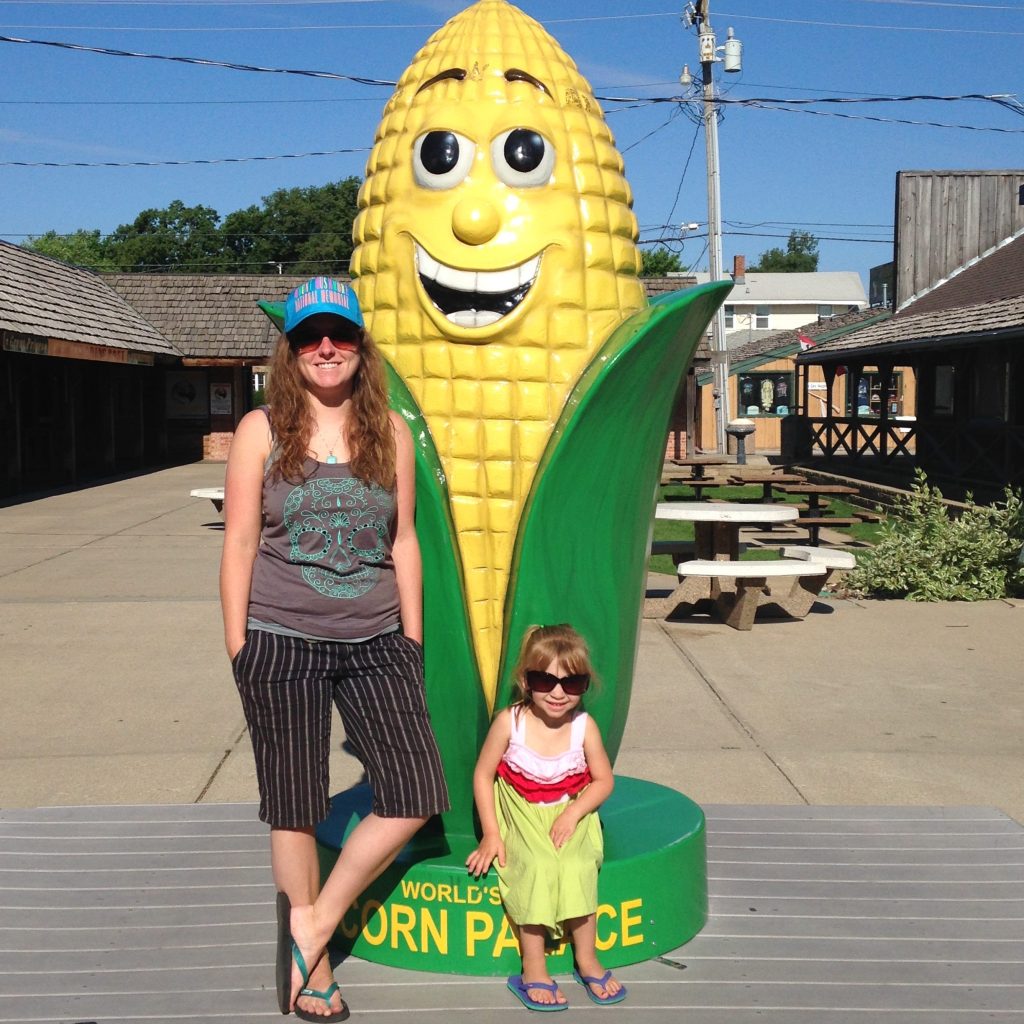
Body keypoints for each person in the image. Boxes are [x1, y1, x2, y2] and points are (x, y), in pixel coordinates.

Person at [220, 276, 449, 1022]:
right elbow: (240, 543)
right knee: (294, 804)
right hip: (281, 641)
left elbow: (404, 540)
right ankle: (313, 972)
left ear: (359, 346)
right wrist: (239, 646)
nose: (327, 347)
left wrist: (411, 639)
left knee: (415, 791)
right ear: (291, 351)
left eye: (340, 334)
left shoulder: (392, 434)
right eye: (311, 337)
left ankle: (313, 921)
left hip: (377, 639)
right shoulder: (262, 430)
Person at [466, 624, 627, 1011]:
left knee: (576, 865)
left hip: (570, 808)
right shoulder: (510, 722)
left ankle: (586, 958)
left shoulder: (583, 727)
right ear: (526, 681)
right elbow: (483, 775)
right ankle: (533, 967)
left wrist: (574, 813)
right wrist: (491, 833)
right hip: (521, 811)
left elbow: (603, 780)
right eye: (545, 680)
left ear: (584, 685)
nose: (558, 693)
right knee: (536, 867)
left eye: (571, 683)